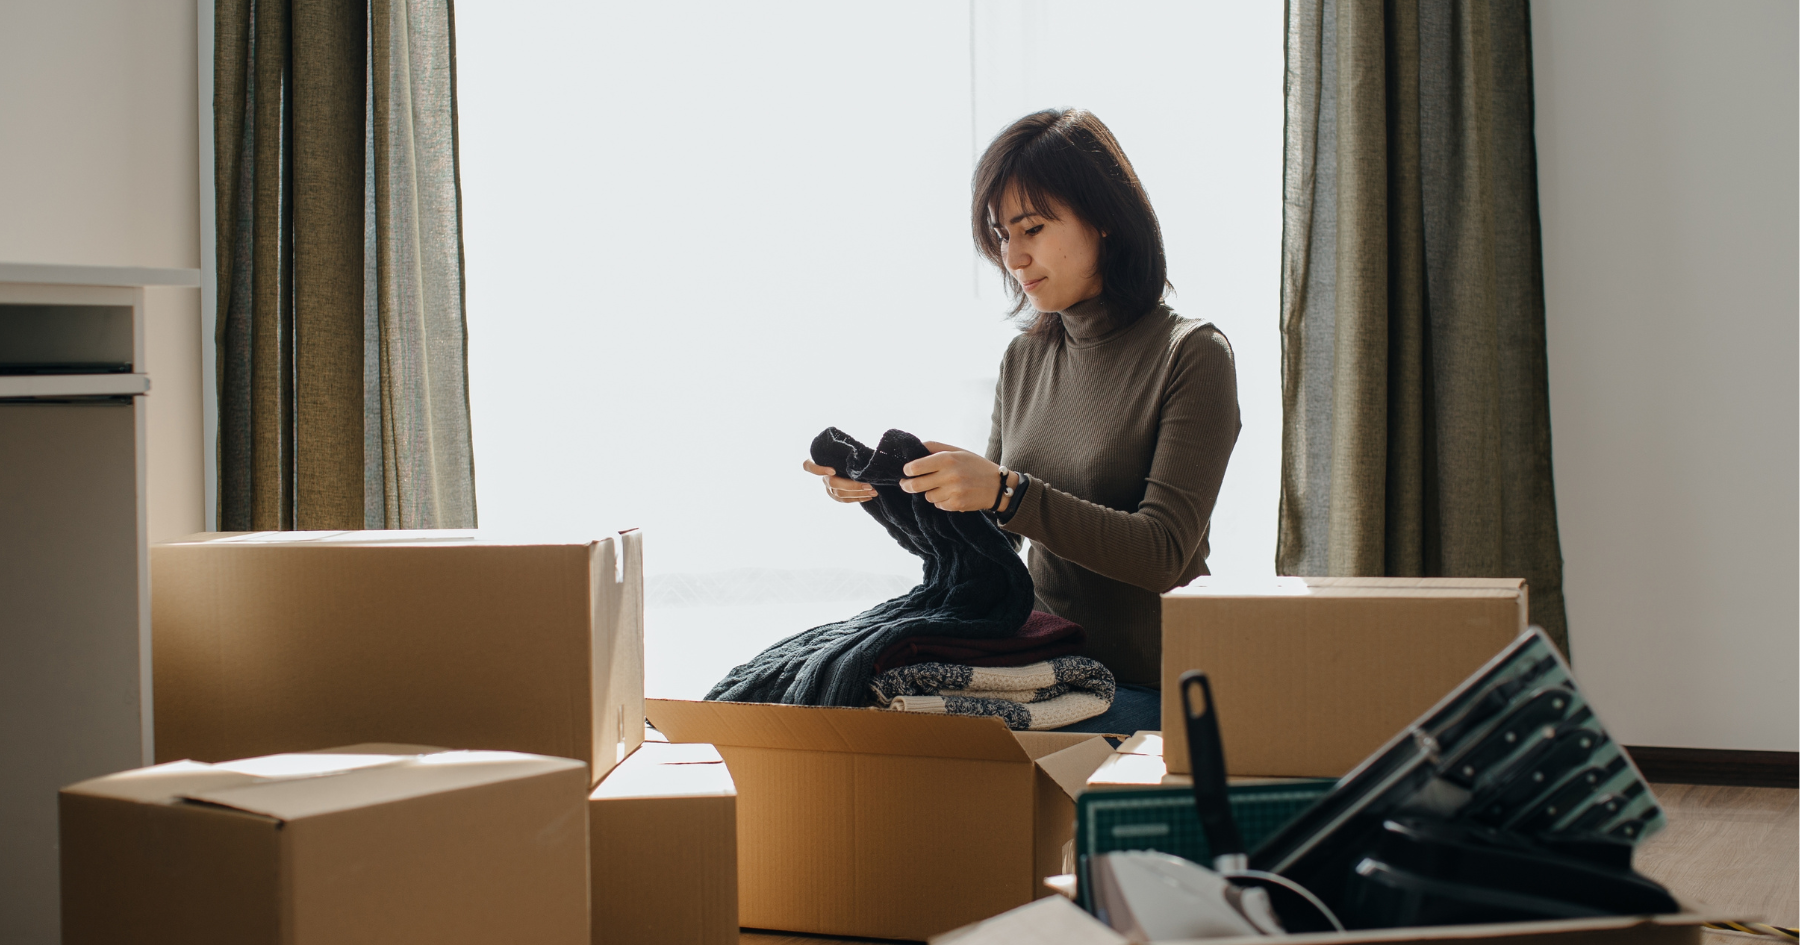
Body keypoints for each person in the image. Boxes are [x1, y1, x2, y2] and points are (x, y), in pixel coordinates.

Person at [804, 108, 1240, 733]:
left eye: (1031, 228)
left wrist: (1006, 490)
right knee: (849, 694)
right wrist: (894, 491)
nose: (1013, 256)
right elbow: (995, 547)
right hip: (1043, 675)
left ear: (1107, 218)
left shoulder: (1192, 353)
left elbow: (1165, 552)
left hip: (1151, 690)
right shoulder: (1026, 358)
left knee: (918, 740)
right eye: (1002, 236)